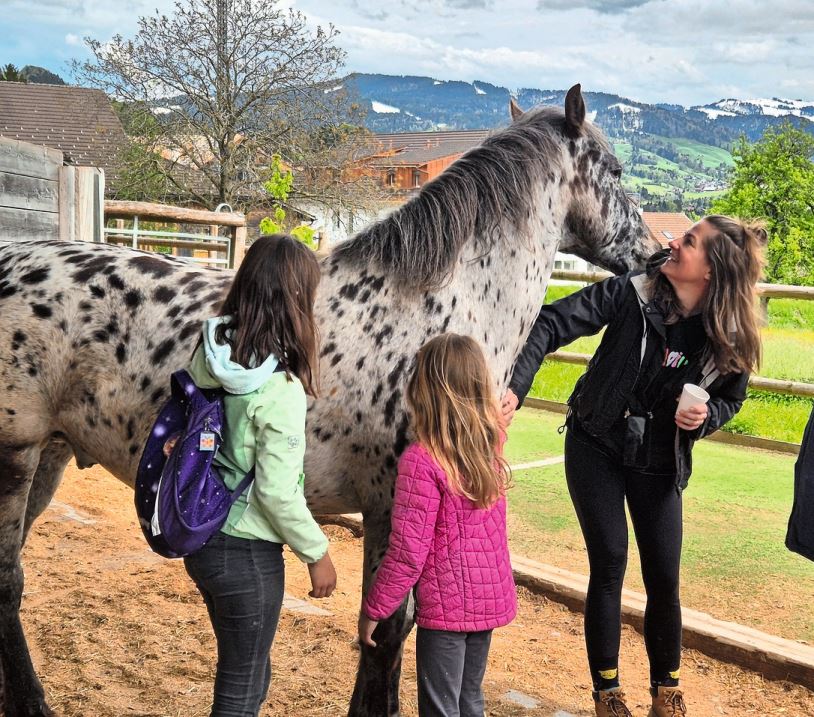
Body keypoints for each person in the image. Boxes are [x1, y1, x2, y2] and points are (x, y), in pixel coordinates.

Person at [501, 216, 766, 717]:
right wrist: (517, 385)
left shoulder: (727, 333)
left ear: (711, 271)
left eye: (688, 242)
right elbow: (551, 323)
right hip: (596, 443)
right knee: (610, 566)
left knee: (664, 576)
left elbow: (731, 400)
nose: (673, 242)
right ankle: (608, 693)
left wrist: (705, 416)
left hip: (660, 459)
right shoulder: (634, 292)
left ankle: (667, 690)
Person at [182, 234, 337, 717]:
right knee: (240, 694)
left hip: (203, 539)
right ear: (296, 302)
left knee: (247, 671)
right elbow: (275, 490)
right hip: (247, 554)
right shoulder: (281, 390)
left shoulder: (209, 355)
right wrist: (318, 552)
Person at [358, 333, 516, 717]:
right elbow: (488, 426)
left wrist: (374, 609)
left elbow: (409, 552)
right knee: (469, 700)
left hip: (446, 611)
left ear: (422, 390)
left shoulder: (422, 461)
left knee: (440, 708)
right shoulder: (488, 447)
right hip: (489, 599)